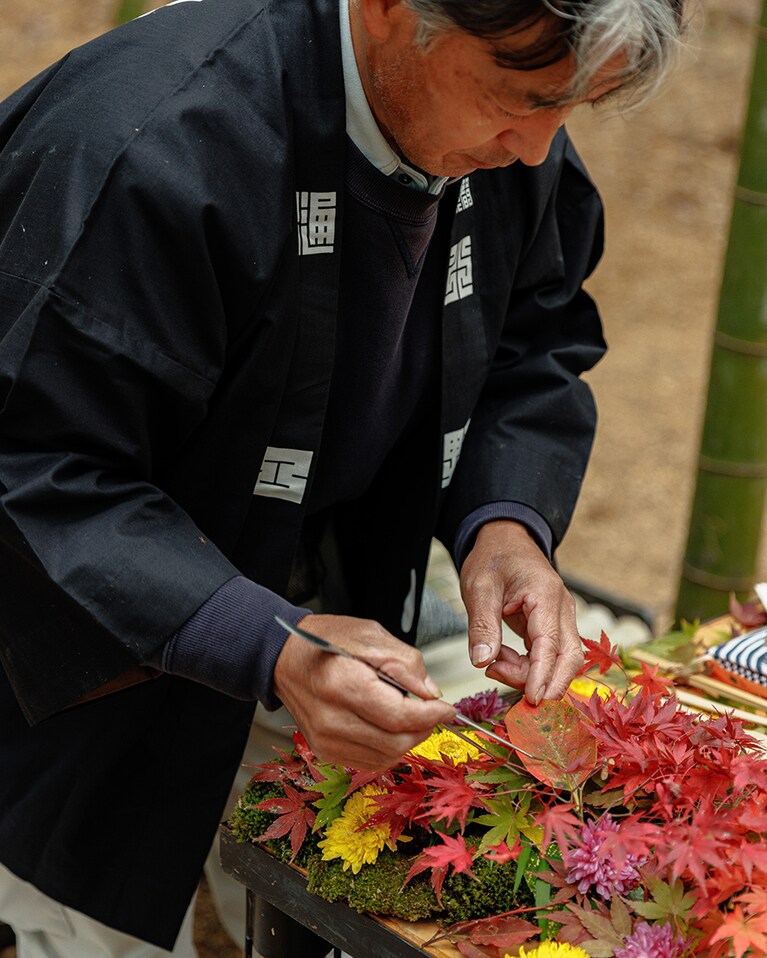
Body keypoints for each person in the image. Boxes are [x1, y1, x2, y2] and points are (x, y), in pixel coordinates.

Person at [0, 0, 685, 954]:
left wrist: (505, 521)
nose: (538, 149)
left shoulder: (499, 123)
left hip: (329, 584)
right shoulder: (151, 144)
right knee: (86, 914)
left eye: (569, 108)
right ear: (391, 9)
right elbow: (35, 467)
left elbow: (533, 341)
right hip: (95, 635)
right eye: (521, 99)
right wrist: (266, 642)